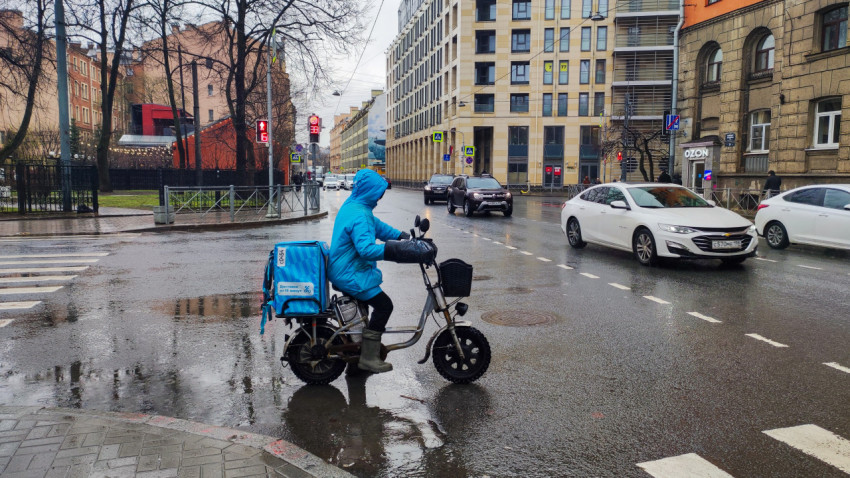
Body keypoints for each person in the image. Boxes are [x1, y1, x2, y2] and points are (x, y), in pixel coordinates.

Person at [328, 169, 435, 373]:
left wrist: (403, 238)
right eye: (379, 192)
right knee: (384, 306)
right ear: (370, 191)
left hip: (344, 269)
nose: (380, 197)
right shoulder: (360, 214)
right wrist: (396, 250)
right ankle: (368, 358)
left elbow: (379, 228)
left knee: (362, 314)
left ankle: (356, 364)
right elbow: (366, 249)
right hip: (350, 273)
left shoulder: (355, 205)